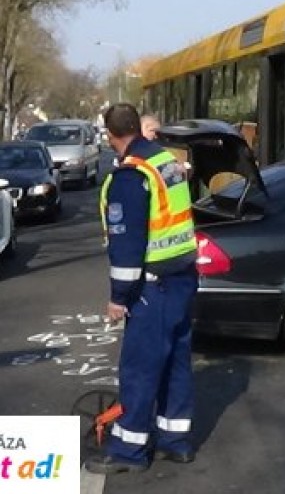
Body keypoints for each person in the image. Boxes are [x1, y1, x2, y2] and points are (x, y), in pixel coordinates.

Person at [85, 103, 199, 474]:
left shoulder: (131, 176)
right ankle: (174, 441)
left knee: (140, 367)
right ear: (138, 127)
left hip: (155, 286)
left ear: (110, 135)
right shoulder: (166, 161)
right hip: (183, 277)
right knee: (176, 364)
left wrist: (119, 298)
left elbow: (128, 245)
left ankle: (128, 451)